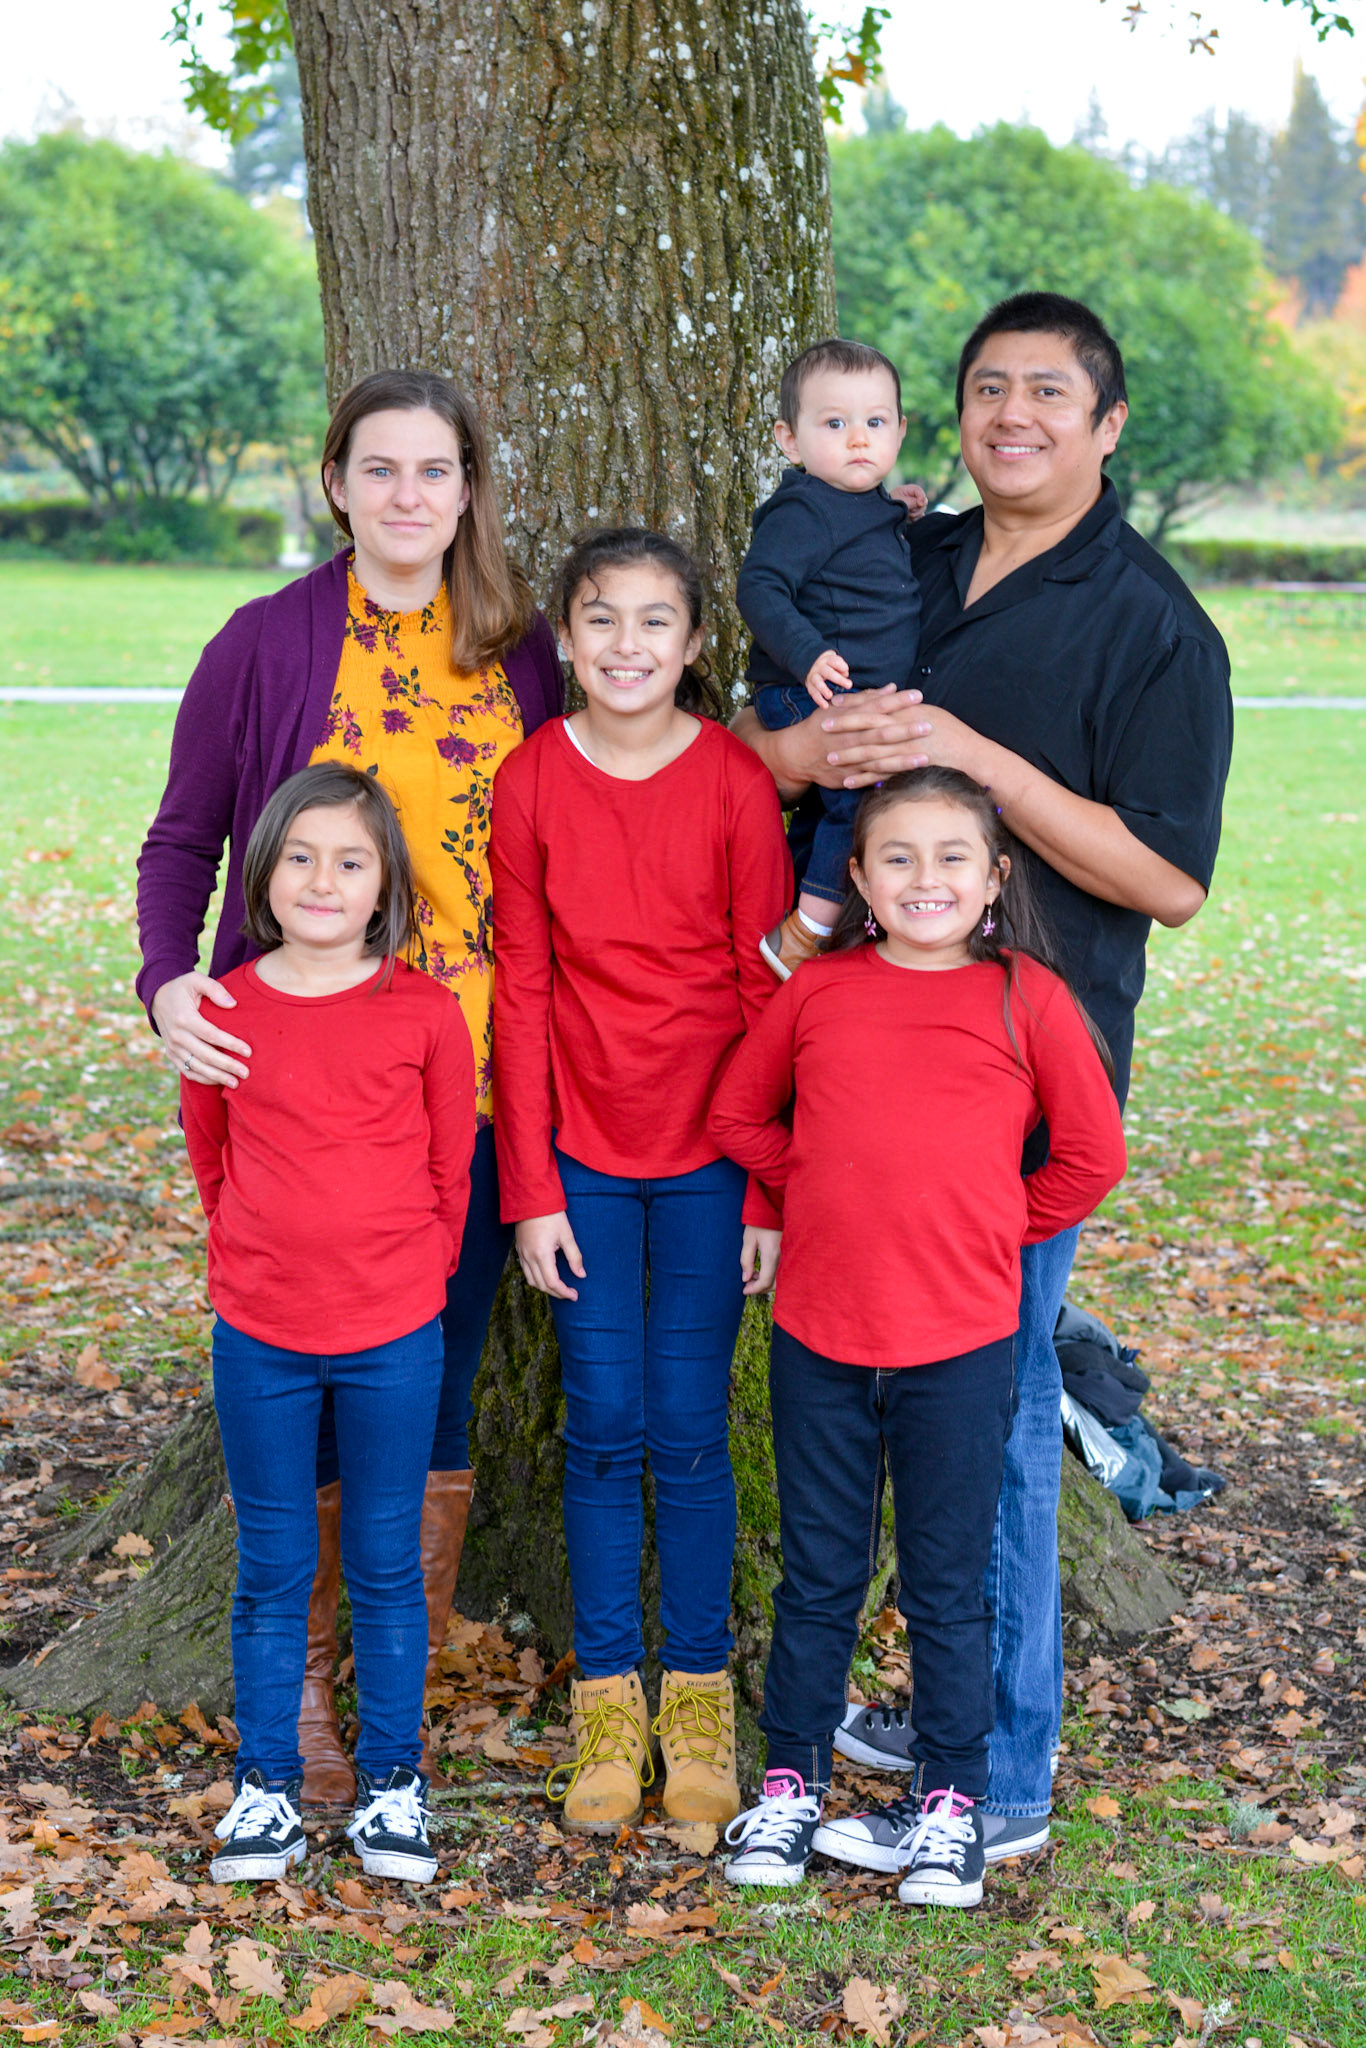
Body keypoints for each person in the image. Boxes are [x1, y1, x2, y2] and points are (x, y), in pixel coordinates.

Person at [732, 293, 1233, 1861]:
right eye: (987, 389)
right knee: (886, 1429)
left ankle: (1001, 1775)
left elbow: (1168, 881)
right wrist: (802, 759)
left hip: (1009, 1086)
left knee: (997, 1420)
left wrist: (977, 766)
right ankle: (951, 1712)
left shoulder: (1155, 625)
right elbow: (770, 730)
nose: (1012, 415)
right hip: (849, 1056)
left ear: (1105, 423)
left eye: (1047, 393)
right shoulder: (900, 550)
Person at [137, 370, 563, 1805]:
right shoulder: (266, 642)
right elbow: (185, 840)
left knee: (427, 1382)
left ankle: (397, 1708)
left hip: (480, 1086)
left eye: (434, 470)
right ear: (334, 483)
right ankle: (301, 1699)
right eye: (377, 468)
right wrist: (167, 981)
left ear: (467, 487)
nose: (406, 496)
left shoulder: (522, 651)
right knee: (300, 1385)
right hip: (302, 1080)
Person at [709, 767, 1126, 1905]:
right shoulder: (818, 993)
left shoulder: (1026, 998)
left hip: (962, 1343)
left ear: (994, 879)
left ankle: (950, 1805)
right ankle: (789, 1788)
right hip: (823, 1337)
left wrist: (992, 1222)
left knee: (947, 1586)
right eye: (897, 856)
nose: (924, 877)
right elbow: (739, 1113)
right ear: (858, 875)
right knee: (819, 1578)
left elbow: (1091, 1155)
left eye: (952, 856)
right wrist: (817, 1191)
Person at [490, 528, 791, 1833]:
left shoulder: (730, 780)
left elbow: (767, 991)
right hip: (582, 1161)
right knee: (602, 1428)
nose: (626, 645)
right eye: (600, 619)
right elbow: (521, 990)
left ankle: (700, 1701)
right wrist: (529, 1185)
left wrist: (769, 1189)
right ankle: (607, 1708)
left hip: (713, 1159)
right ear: (565, 636)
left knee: (689, 1430)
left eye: (654, 620)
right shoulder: (530, 779)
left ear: (694, 642)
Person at [185, 763, 473, 1885]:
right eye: (300, 856)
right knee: (272, 1562)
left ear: (384, 884)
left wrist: (409, 1273)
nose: (322, 879)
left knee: (386, 1558)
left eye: (350, 861)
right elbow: (212, 1155)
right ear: (263, 873)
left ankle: (394, 1781)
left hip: (394, 1333)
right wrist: (253, 1255)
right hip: (260, 1334)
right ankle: (266, 1784)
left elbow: (450, 1167)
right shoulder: (225, 1010)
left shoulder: (424, 1012)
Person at [736, 338, 923, 979]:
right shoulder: (804, 509)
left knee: (825, 810)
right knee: (862, 793)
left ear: (899, 431)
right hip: (807, 687)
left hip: (844, 690)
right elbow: (760, 586)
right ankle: (808, 931)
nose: (858, 439)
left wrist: (898, 512)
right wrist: (807, 653)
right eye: (835, 424)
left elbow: (857, 550)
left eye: (875, 422)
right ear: (790, 440)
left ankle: (789, 899)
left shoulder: (863, 503)